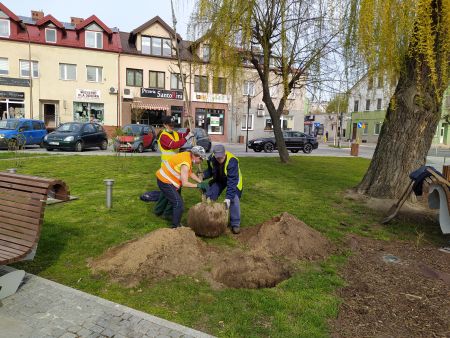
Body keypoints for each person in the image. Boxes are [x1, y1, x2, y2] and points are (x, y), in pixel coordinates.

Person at [156, 146, 207, 228]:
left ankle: (167, 215)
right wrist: (198, 185)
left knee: (175, 198)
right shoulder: (186, 164)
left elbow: (190, 173)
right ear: (195, 156)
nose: (201, 161)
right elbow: (185, 183)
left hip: (166, 178)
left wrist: (201, 182)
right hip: (165, 181)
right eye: (201, 159)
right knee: (178, 203)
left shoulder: (187, 155)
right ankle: (176, 227)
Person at [154, 115, 194, 219]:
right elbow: (174, 145)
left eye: (173, 125)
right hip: (168, 169)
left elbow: (184, 135)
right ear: (164, 125)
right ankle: (166, 213)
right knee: (173, 192)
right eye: (170, 125)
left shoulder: (175, 133)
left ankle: (160, 211)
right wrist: (186, 138)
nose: (172, 127)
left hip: (175, 167)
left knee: (167, 193)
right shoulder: (163, 136)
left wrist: (189, 126)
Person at [202, 144, 243, 234]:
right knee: (210, 195)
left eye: (221, 157)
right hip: (220, 179)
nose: (219, 160)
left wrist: (228, 198)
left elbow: (232, 183)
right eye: (217, 158)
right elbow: (210, 171)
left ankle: (235, 224)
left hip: (234, 181)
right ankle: (210, 220)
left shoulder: (232, 161)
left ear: (224, 154)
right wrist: (203, 175)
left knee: (233, 199)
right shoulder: (212, 158)